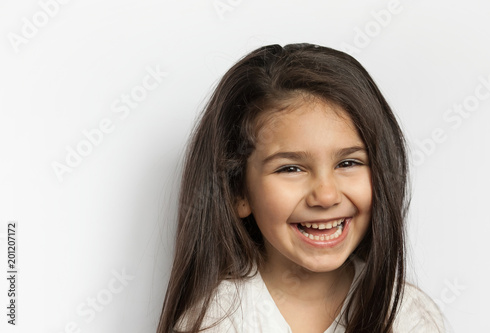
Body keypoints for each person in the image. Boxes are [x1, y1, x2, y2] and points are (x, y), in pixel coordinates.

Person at [157, 43, 444, 333]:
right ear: (238, 192)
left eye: (348, 163)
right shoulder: (216, 323)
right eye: (290, 168)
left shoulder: (411, 317)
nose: (326, 195)